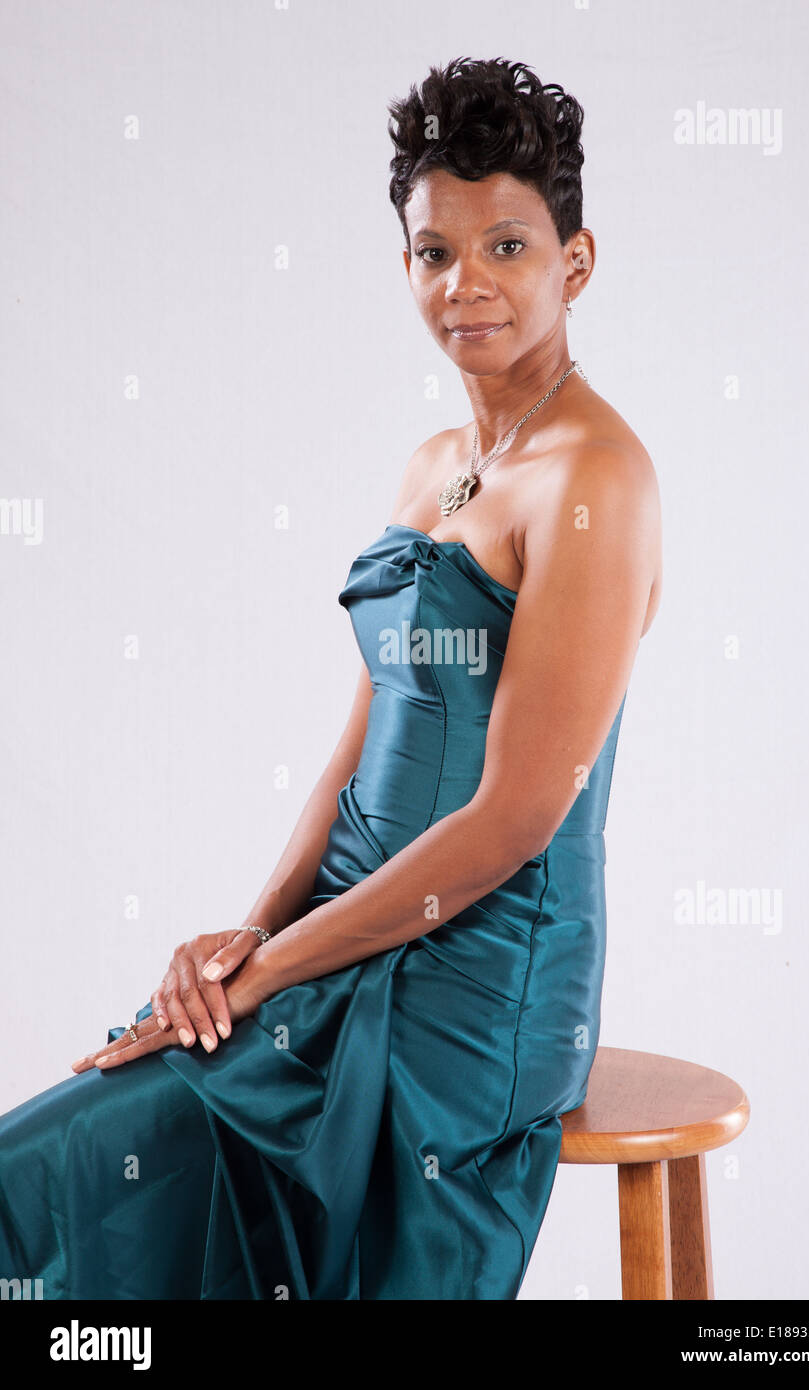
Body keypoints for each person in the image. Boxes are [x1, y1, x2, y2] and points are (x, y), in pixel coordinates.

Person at [0, 55, 661, 1300]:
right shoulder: (430, 467)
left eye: (506, 246)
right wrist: (248, 931)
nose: (464, 283)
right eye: (432, 253)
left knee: (172, 1143)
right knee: (53, 1160)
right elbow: (360, 744)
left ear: (574, 262)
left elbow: (513, 818)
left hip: (483, 969)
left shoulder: (597, 481)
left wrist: (270, 974)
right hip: (342, 921)